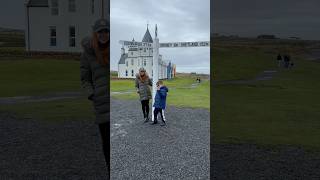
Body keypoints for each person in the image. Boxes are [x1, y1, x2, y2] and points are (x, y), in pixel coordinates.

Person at [80, 18, 110, 178]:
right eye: (101, 31)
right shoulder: (88, 53)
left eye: (106, 31)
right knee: (107, 142)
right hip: (101, 104)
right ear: (95, 33)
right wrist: (92, 94)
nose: (104, 34)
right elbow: (84, 78)